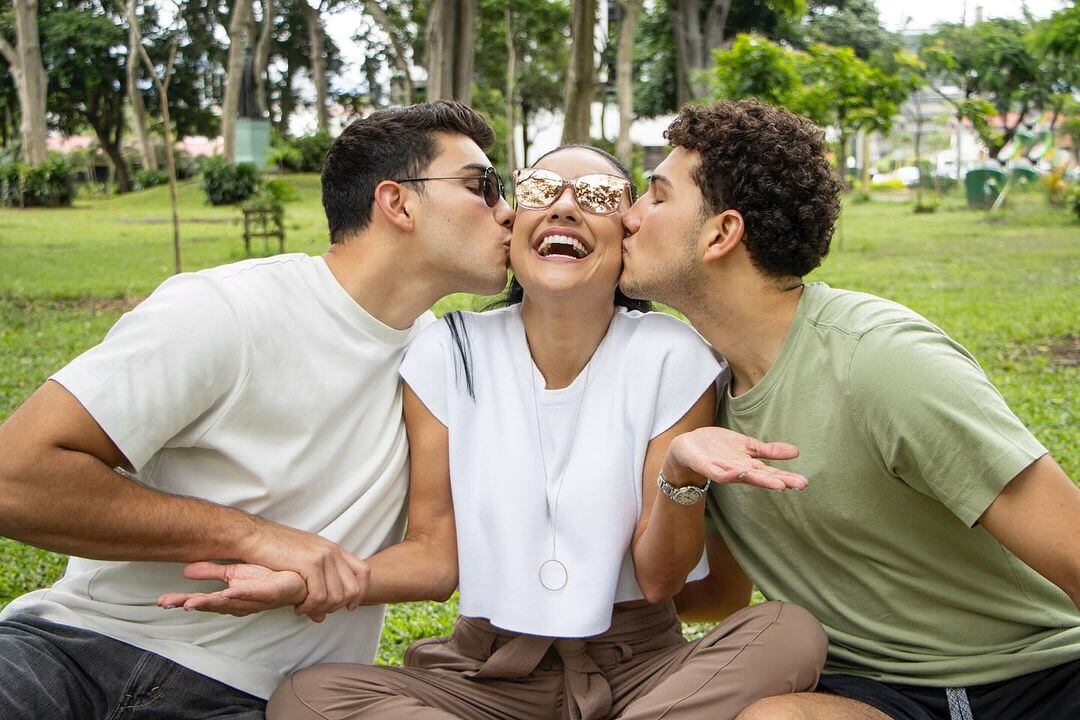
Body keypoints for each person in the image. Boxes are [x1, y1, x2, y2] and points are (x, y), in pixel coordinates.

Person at [170, 145, 829, 720]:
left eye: (597, 196)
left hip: (642, 672)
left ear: (626, 237)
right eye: (541, 191)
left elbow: (661, 581)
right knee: (310, 699)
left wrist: (681, 477)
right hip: (484, 677)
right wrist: (318, 582)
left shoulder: (674, 355)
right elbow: (434, 556)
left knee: (788, 631)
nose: (565, 207)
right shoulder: (448, 352)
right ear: (514, 226)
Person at [0, 101, 516, 719]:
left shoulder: (443, 362)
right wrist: (258, 539)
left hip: (258, 696)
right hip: (72, 650)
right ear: (397, 202)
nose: (506, 210)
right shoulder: (226, 311)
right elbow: (15, 476)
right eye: (481, 186)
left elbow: (436, 555)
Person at [619, 99, 1080, 720]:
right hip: (878, 694)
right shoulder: (699, 391)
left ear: (721, 234)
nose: (629, 216)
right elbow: (720, 594)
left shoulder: (881, 361)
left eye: (655, 196)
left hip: (1034, 677)